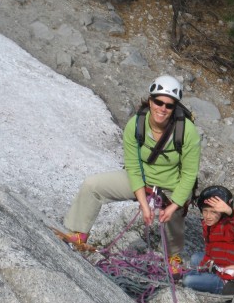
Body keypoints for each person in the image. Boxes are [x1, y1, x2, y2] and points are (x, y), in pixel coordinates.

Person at [61, 75, 201, 271]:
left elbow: (189, 174)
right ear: (150, 100)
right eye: (158, 102)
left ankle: (173, 256)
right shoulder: (136, 125)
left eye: (169, 105)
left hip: (170, 184)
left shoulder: (187, 131)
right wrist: (144, 205)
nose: (162, 108)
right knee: (92, 186)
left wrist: (173, 205)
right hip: (141, 179)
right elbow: (133, 167)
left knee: (174, 214)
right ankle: (79, 234)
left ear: (175, 107)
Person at [182, 186, 234, 294]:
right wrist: (201, 267)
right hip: (218, 266)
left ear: (223, 213)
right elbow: (209, 252)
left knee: (187, 280)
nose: (208, 216)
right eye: (205, 211)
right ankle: (202, 275)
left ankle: (216, 285)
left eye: (214, 212)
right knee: (195, 258)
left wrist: (230, 211)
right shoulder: (207, 226)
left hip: (228, 279)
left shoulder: (229, 229)